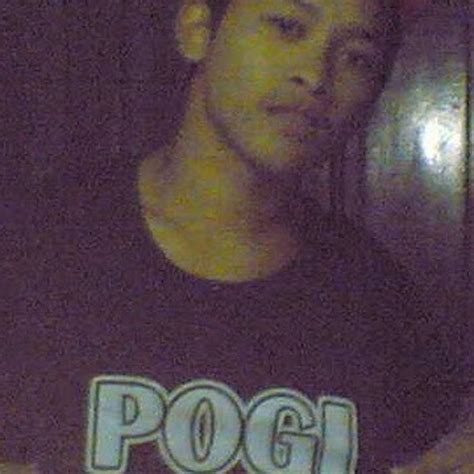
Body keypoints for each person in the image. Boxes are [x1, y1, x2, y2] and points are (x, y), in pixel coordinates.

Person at [2, 0, 471, 472]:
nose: (315, 76)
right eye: (288, 27)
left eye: (357, 58)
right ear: (197, 30)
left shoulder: (378, 304)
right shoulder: (34, 250)